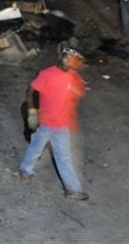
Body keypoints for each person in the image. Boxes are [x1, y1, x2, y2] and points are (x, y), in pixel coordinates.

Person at [17, 46, 89, 201]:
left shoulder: (72, 76)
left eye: (72, 60)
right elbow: (30, 91)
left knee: (62, 156)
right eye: (67, 58)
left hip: (61, 124)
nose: (69, 62)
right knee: (37, 148)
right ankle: (25, 170)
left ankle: (72, 189)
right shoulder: (46, 74)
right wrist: (32, 114)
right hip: (46, 122)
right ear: (61, 57)